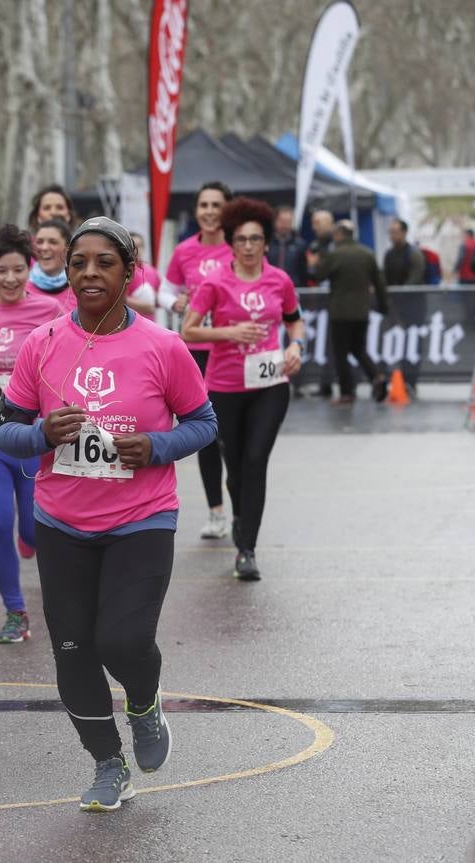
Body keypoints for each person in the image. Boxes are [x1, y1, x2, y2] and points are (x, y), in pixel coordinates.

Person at [0, 216, 217, 811]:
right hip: (62, 522)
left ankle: (143, 703)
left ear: (129, 273)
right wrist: (39, 433)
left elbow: (204, 423)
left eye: (104, 263)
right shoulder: (42, 345)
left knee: (123, 639)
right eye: (78, 264)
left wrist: (156, 446)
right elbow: (1, 431)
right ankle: (106, 764)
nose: (89, 273)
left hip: (140, 518)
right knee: (72, 649)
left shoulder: (163, 347)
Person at [182, 197, 305, 581]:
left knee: (255, 461)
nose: (249, 246)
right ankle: (239, 518)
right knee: (234, 470)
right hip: (225, 387)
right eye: (241, 240)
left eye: (256, 239)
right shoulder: (215, 281)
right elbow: (188, 329)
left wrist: (295, 346)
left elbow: (294, 321)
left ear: (267, 243)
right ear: (231, 244)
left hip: (270, 385)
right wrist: (229, 332)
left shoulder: (279, 280)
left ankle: (246, 549)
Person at [0, 224, 62, 644]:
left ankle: (30, 542)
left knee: (34, 532)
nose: (9, 279)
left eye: (18, 270)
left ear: (31, 269)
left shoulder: (51, 312)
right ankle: (15, 610)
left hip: (31, 438)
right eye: (1, 270)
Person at [157, 181, 234, 541]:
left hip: (231, 352)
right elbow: (168, 290)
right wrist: (177, 303)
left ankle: (241, 505)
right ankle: (216, 511)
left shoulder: (238, 249)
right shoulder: (185, 251)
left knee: (232, 438)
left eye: (215, 205)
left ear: (227, 210)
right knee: (206, 430)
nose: (208, 211)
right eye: (203, 204)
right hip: (195, 354)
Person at [307, 220, 389, 404]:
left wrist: (313, 264)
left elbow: (318, 276)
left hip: (340, 312)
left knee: (341, 353)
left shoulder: (335, 255)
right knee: (359, 349)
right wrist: (384, 306)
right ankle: (377, 376)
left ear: (338, 235)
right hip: (361, 311)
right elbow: (379, 283)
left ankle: (347, 392)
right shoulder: (367, 254)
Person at [382, 219, 428, 396]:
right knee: (396, 341)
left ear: (404, 232)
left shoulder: (414, 253)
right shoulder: (389, 254)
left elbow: (415, 279)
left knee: (413, 343)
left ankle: (411, 380)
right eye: (390, 232)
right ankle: (397, 377)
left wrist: (398, 294)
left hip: (413, 306)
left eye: (395, 231)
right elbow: (385, 277)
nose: (392, 235)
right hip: (395, 306)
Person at [305, 209, 338, 397]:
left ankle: (341, 385)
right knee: (323, 344)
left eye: (318, 223)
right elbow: (311, 274)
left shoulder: (336, 244)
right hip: (319, 302)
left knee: (336, 346)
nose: (314, 227)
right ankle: (325, 384)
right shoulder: (315, 245)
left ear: (329, 223)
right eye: (313, 222)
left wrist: (315, 266)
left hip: (336, 301)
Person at [29, 218, 77, 311]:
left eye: (53, 242)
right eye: (39, 242)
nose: (44, 247)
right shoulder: (21, 289)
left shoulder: (79, 290)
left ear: (67, 250)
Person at [267, 207, 308, 287]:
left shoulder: (300, 245)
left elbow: (304, 272)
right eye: (282, 221)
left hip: (294, 288)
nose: (285, 225)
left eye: (288, 222)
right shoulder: (266, 243)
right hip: (270, 287)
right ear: (275, 221)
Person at [127, 233, 161, 319]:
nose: (136, 250)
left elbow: (158, 299)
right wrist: (147, 306)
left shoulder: (152, 271)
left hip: (150, 326)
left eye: (139, 246)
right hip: (129, 324)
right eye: (133, 247)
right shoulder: (123, 271)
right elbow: (117, 300)